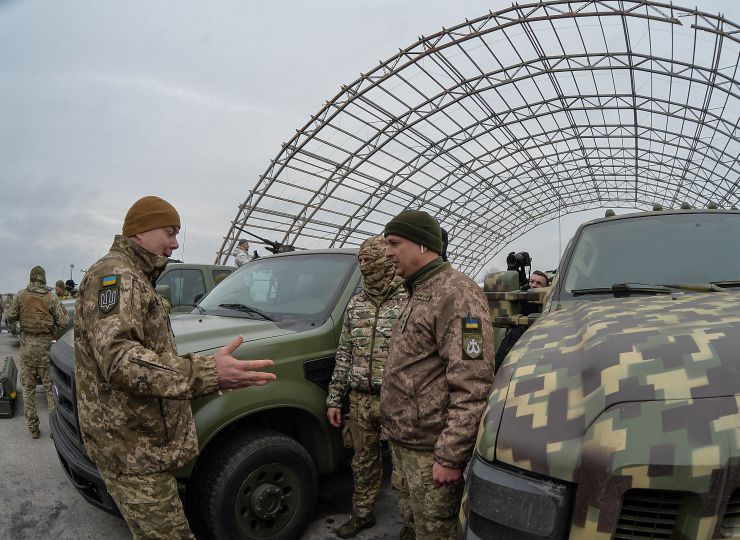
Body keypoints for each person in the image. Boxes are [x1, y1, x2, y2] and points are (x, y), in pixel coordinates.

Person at [75, 195, 277, 539]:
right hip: (133, 451)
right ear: (141, 231)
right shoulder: (118, 275)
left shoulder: (134, 275)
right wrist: (208, 373)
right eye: (169, 232)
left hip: (136, 444)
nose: (175, 243)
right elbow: (121, 361)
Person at [381, 210, 495, 540]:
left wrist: (449, 456)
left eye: (393, 243)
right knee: (414, 524)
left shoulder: (457, 294)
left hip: (431, 450)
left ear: (422, 245)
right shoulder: (417, 290)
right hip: (405, 444)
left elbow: (473, 383)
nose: (387, 252)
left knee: (437, 531)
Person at [326, 235, 406, 538]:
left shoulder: (407, 300)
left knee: (403, 466)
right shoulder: (356, 303)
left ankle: (410, 522)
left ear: (385, 261)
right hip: (360, 399)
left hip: (397, 399)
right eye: (360, 260)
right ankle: (362, 514)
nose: (363, 266)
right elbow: (345, 353)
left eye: (368, 260)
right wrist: (335, 398)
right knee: (363, 462)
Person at [5, 266, 69, 439]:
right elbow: (64, 322)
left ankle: (33, 428)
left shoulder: (20, 295)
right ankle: (55, 430)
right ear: (44, 279)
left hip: (27, 350)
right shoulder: (51, 298)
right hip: (45, 350)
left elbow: (8, 317)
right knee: (50, 390)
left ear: (31, 278)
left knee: (28, 389)